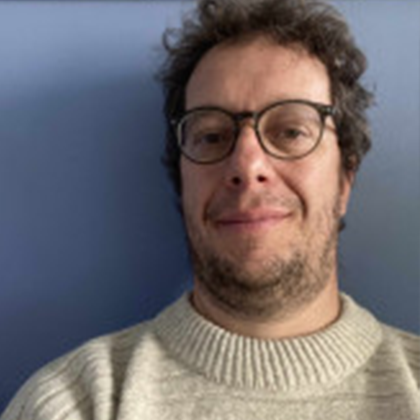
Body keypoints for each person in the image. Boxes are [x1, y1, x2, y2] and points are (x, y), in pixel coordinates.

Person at [1, 0, 419, 419]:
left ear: (345, 179)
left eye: (291, 131)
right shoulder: (72, 404)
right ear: (182, 182)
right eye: (212, 136)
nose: (247, 165)